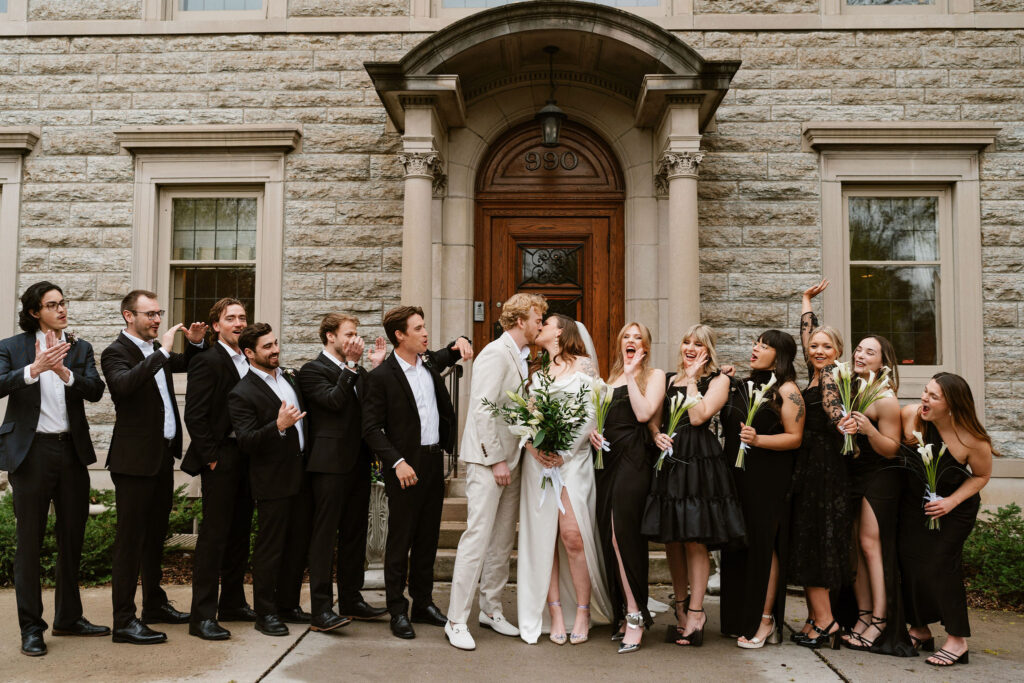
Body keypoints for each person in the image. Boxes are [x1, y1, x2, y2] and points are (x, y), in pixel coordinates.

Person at [801, 281, 915, 656]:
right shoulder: (848, 382)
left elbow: (891, 449)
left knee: (870, 545)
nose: (863, 355)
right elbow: (810, 347)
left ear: (883, 361)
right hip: (851, 473)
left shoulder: (884, 397)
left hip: (879, 475)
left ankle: (881, 621)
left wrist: (863, 428)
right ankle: (863, 615)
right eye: (861, 350)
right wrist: (806, 305)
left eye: (872, 352)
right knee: (856, 548)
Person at [0, 282, 109, 656]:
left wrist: (64, 372)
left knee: (72, 538)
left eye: (64, 303)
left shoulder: (80, 347)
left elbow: (96, 390)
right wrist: (35, 368)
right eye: (52, 305)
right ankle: (31, 628)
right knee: (29, 544)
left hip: (71, 452)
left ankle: (69, 618)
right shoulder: (11, 347)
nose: (62, 309)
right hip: (31, 454)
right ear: (35, 312)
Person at [101, 290, 206, 645]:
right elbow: (124, 386)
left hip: (161, 458)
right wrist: (162, 351)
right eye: (150, 314)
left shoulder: (154, 352)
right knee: (130, 542)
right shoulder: (116, 352)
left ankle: (154, 606)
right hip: (133, 463)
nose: (158, 320)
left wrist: (194, 344)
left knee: (153, 540)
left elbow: (191, 363)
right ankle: (123, 621)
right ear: (129, 317)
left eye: (159, 313)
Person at [362, 306, 473, 640]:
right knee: (401, 539)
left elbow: (451, 350)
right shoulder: (381, 377)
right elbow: (370, 428)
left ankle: (422, 603)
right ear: (400, 335)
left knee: (427, 538)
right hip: (404, 467)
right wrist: (396, 462)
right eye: (419, 328)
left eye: (425, 327)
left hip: (432, 462)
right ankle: (397, 608)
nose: (426, 333)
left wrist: (462, 341)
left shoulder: (429, 363)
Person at [446, 293, 546, 651]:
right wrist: (496, 460)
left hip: (513, 462)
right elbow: (482, 411)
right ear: (521, 320)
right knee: (477, 539)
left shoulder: (520, 356)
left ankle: (490, 609)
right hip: (490, 464)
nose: (540, 325)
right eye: (537, 318)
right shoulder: (493, 353)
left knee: (503, 541)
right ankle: (456, 619)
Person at [643, 324, 745, 647]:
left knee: (694, 538)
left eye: (698, 344)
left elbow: (699, 416)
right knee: (673, 537)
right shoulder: (670, 379)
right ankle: (681, 608)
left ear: (709, 350)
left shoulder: (720, 380)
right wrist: (655, 433)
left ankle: (698, 612)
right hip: (671, 462)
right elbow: (653, 416)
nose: (690, 347)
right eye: (687, 341)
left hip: (700, 462)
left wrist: (693, 380)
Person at [517, 314, 613, 646]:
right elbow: (525, 420)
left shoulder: (584, 367)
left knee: (573, 536)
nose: (539, 326)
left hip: (573, 462)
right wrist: (534, 449)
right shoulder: (538, 375)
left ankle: (583, 611)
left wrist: (564, 453)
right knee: (546, 540)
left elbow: (591, 413)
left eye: (546, 322)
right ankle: (555, 611)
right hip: (540, 466)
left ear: (561, 331)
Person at [298, 313, 388, 633]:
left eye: (356, 334)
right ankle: (321, 608)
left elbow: (372, 409)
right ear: (329, 337)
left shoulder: (360, 372)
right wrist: (352, 367)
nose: (355, 341)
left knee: (354, 536)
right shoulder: (311, 371)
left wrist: (376, 369)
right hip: (328, 466)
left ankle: (351, 598)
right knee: (325, 537)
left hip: (358, 464)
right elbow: (334, 403)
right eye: (348, 334)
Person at [899, 373, 994, 667]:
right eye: (925, 392)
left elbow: (981, 476)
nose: (924, 399)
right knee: (910, 562)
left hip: (955, 509)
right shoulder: (912, 416)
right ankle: (919, 629)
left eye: (933, 396)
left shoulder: (972, 439)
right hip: (919, 504)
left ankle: (957, 640)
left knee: (942, 566)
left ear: (952, 405)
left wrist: (951, 502)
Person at [719, 330, 804, 649]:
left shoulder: (788, 390)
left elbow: (795, 438)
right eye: (756, 343)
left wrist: (759, 440)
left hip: (768, 479)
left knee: (763, 546)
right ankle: (739, 617)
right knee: (737, 545)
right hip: (737, 477)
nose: (755, 348)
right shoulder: (742, 385)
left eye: (764, 345)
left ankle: (766, 619)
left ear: (779, 355)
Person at [180, 298, 256, 641]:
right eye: (231, 318)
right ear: (217, 326)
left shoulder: (250, 360)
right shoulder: (208, 361)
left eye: (242, 317)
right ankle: (202, 616)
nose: (238, 323)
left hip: (249, 456)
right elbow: (194, 414)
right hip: (221, 456)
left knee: (240, 531)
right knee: (214, 537)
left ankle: (234, 603)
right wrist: (211, 457)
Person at [227, 323, 309, 637]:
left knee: (296, 545)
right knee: (270, 548)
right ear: (249, 353)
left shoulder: (288, 378)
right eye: (266, 347)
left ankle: (289, 604)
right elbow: (246, 441)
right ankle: (265, 612)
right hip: (271, 479)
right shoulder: (242, 392)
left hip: (301, 473)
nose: (274, 350)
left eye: (275, 344)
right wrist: (278, 426)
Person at [589, 322, 665, 654]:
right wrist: (594, 431)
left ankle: (636, 614)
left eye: (638, 338)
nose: (631, 341)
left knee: (623, 536)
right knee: (608, 536)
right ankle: (622, 610)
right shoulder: (608, 379)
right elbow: (602, 416)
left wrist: (633, 373)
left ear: (645, 346)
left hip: (633, 461)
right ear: (620, 343)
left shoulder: (654, 375)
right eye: (626, 337)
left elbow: (644, 412)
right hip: (605, 462)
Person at [786, 290, 851, 650]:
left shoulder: (829, 378)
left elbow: (832, 411)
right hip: (810, 466)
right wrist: (807, 303)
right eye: (815, 346)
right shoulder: (814, 373)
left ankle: (827, 622)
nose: (818, 350)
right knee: (809, 539)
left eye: (827, 346)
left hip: (824, 470)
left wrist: (843, 423)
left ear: (838, 351)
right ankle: (815, 618)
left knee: (816, 542)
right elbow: (806, 333)